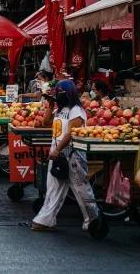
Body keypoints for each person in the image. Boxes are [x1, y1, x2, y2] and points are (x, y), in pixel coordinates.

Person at [31, 79, 98, 232]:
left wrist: (57, 149)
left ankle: (93, 219)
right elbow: (46, 122)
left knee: (81, 189)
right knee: (53, 188)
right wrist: (50, 105)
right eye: (57, 92)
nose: (58, 95)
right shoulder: (59, 110)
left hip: (73, 154)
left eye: (61, 92)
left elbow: (70, 133)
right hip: (57, 154)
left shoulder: (76, 110)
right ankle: (46, 220)